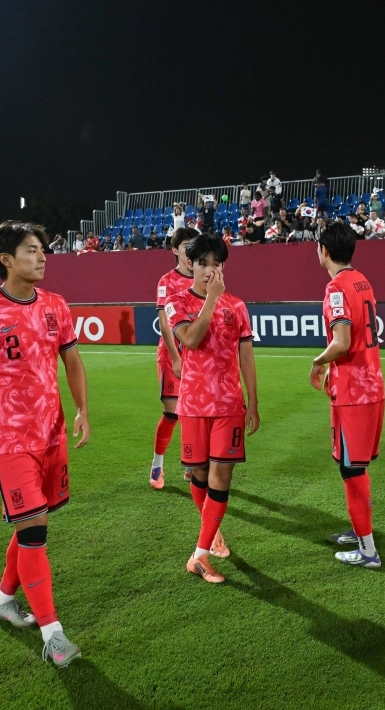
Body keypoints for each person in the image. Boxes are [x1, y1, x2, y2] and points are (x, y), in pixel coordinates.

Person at [0, 221, 90, 668]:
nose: (43, 256)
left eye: (43, 249)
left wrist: (83, 409)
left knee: (32, 525)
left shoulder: (56, 305)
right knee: (34, 531)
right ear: (6, 260)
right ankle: (54, 633)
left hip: (52, 436)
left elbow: (72, 359)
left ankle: (3, 601)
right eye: (32, 250)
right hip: (10, 441)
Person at [164, 234, 260, 584]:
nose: (210, 270)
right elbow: (190, 339)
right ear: (191, 264)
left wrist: (253, 401)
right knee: (200, 476)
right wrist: (211, 302)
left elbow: (246, 357)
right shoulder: (176, 302)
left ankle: (200, 554)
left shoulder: (237, 306)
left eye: (216, 264)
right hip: (192, 405)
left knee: (221, 478)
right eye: (203, 263)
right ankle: (211, 532)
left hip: (229, 406)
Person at [309, 222, 385, 567]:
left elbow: (340, 342)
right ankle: (360, 531)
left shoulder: (336, 288)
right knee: (352, 466)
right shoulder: (363, 280)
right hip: (369, 385)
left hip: (354, 391)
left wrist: (317, 361)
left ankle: (368, 551)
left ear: (324, 250)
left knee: (352, 469)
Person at [147, 228, 201, 490]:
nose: (190, 250)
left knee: (195, 413)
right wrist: (176, 357)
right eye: (186, 245)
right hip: (172, 355)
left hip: (199, 356)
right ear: (175, 250)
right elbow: (164, 323)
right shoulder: (166, 281)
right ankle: (157, 465)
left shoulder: (203, 276)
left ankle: (192, 464)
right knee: (172, 414)